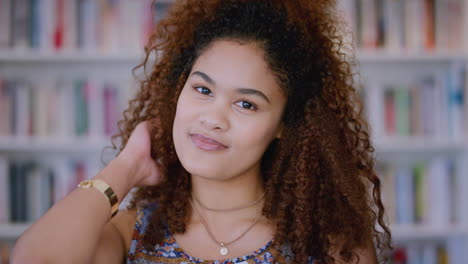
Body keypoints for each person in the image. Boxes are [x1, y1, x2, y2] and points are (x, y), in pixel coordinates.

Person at [11, 0, 392, 263]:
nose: (213, 118)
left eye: (247, 104)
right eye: (203, 89)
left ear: (284, 127)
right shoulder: (132, 233)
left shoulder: (333, 246)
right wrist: (126, 168)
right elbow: (34, 259)